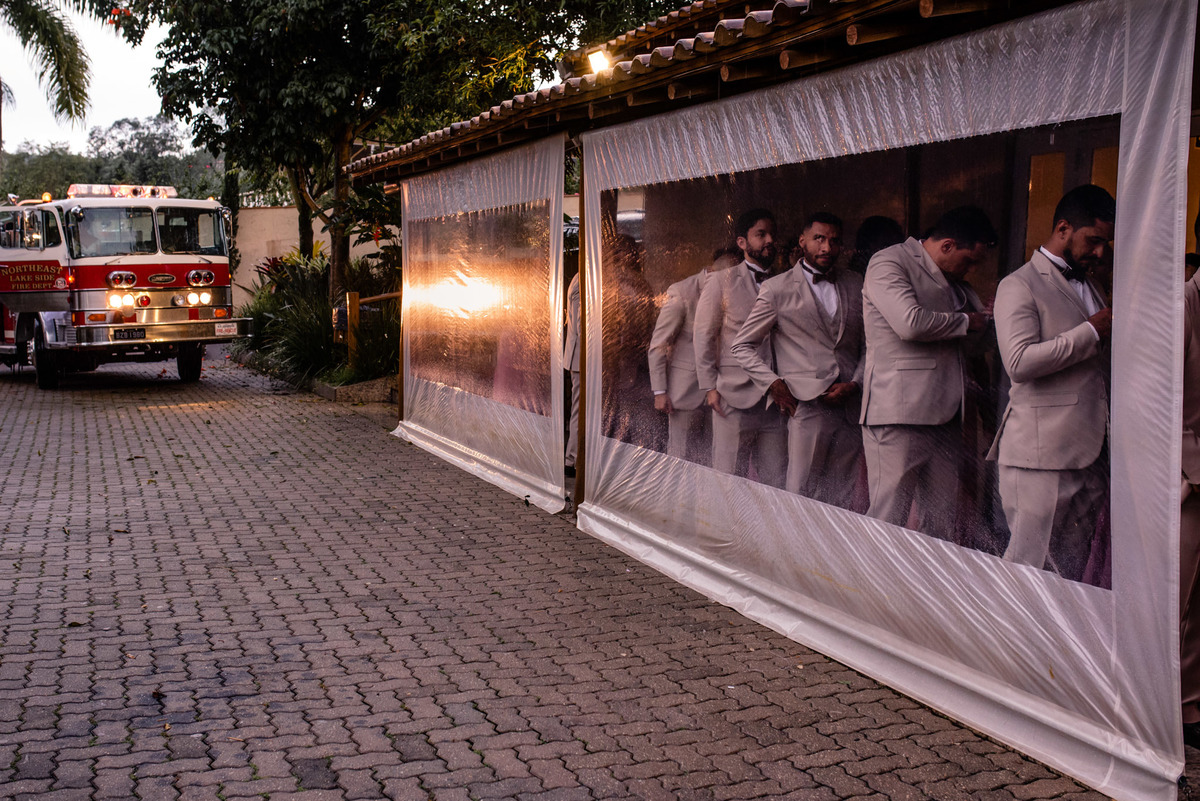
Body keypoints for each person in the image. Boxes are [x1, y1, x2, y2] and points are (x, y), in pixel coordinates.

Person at [988, 185, 1114, 581]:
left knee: (1069, 571)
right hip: (1038, 457)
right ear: (1063, 228)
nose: (1100, 252)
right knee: (1027, 568)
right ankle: (1004, 643)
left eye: (1105, 243)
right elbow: (1019, 362)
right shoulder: (1018, 284)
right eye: (1094, 240)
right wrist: (1091, 331)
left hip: (1089, 454)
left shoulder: (1092, 284)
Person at [860, 205, 994, 541]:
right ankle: (870, 592)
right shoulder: (889, 262)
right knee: (887, 519)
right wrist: (966, 321)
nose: (972, 270)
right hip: (898, 415)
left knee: (942, 524)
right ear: (947, 245)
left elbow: (973, 348)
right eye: (969, 260)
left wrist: (989, 322)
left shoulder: (958, 285)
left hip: (948, 417)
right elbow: (909, 323)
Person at [731, 212, 866, 510]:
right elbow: (742, 346)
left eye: (834, 241)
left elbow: (870, 345)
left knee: (843, 497)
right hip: (806, 406)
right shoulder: (777, 288)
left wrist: (856, 382)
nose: (827, 248)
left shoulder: (856, 283)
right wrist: (773, 384)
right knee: (800, 493)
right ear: (803, 241)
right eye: (819, 239)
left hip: (850, 406)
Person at [694, 208, 787, 487]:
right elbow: (704, 334)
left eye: (772, 234)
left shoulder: (787, 281)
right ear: (742, 242)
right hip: (732, 395)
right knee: (727, 477)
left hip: (777, 398)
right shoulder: (721, 281)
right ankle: (722, 531)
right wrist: (710, 387)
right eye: (761, 234)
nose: (769, 240)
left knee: (775, 481)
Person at [647, 247, 739, 464]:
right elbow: (659, 344)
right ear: (712, 270)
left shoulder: (737, 290)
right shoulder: (682, 292)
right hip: (686, 391)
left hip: (724, 392)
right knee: (681, 458)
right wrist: (659, 391)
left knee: (713, 460)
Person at [1181, 263, 1200, 746]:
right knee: (1180, 600)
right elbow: (1166, 406)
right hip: (1185, 479)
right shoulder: (1180, 307)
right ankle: (1180, 712)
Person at [563, 272, 580, 477]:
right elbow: (579, 322)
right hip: (581, 357)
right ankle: (572, 459)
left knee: (579, 408)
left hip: (579, 356)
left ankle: (573, 458)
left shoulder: (580, 277)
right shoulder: (582, 279)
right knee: (579, 408)